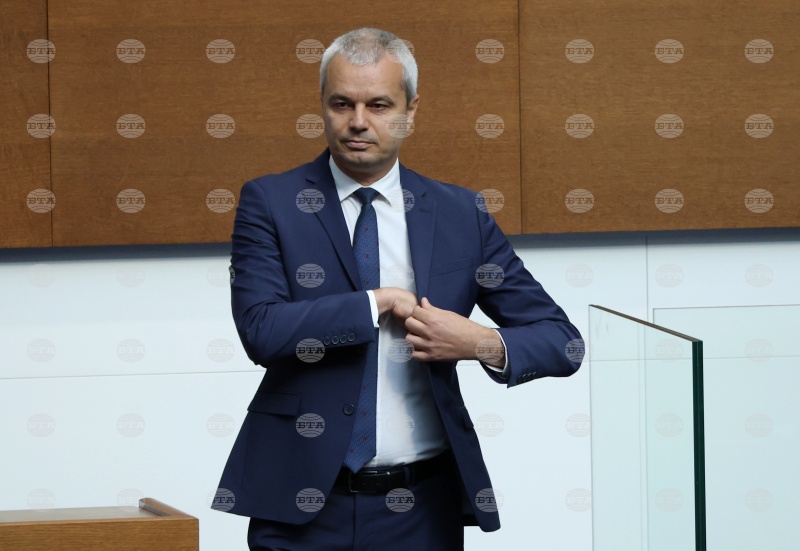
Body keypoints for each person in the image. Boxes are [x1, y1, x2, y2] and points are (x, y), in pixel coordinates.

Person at [214, 27, 582, 551]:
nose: (358, 121)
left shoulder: (460, 214)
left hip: (421, 509)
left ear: (411, 110)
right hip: (301, 504)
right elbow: (261, 330)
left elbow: (563, 342)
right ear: (322, 105)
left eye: (379, 105)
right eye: (342, 103)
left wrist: (480, 342)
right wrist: (376, 302)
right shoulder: (271, 202)